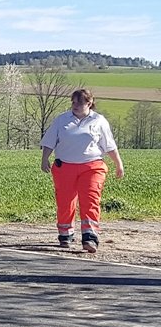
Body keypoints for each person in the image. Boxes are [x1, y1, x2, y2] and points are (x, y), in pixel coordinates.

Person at [40, 88, 125, 253]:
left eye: (79, 102)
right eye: (73, 102)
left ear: (89, 103)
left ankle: (90, 237)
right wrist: (44, 159)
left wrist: (118, 164)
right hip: (65, 167)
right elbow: (49, 141)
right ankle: (65, 234)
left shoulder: (99, 121)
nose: (75, 105)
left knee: (90, 199)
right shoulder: (62, 120)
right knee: (65, 201)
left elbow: (110, 146)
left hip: (92, 166)